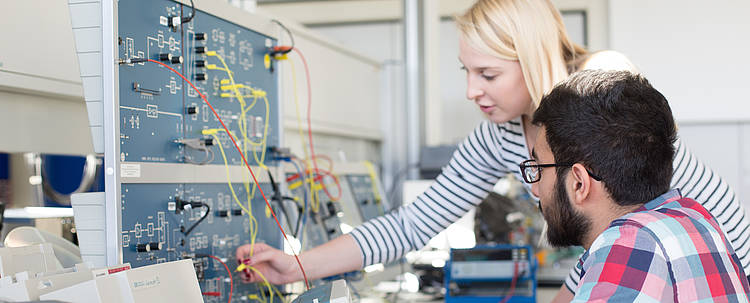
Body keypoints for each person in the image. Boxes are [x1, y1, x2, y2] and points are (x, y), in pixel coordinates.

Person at [236, 0, 750, 300]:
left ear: (530, 59)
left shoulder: (596, 97)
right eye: (466, 71)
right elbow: (414, 223)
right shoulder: (500, 133)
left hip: (712, 262)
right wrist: (298, 267)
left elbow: (622, 218)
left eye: (488, 74)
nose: (471, 91)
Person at [527, 70, 749, 301]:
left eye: (539, 170)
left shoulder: (630, 246)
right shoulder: (698, 221)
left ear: (579, 183)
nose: (535, 189)